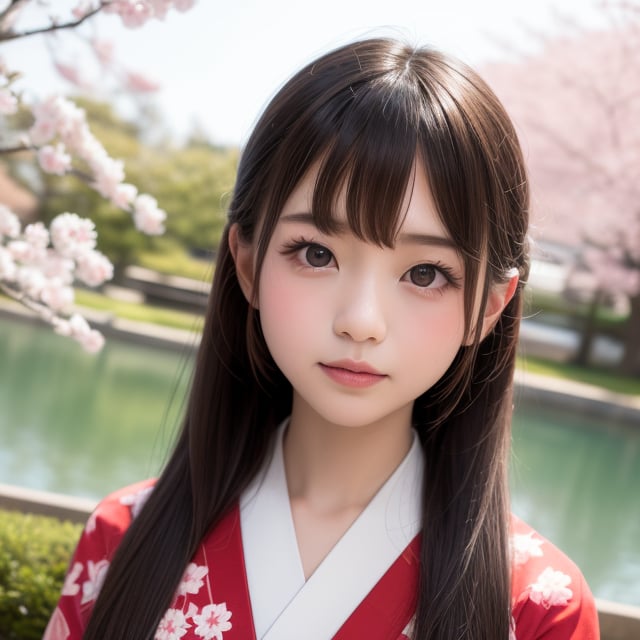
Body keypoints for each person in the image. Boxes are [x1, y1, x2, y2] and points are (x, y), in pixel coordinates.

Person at [44, 38, 599, 640]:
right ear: (249, 264)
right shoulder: (122, 538)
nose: (361, 321)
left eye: (424, 274)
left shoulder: (538, 609)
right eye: (316, 253)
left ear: (490, 307)